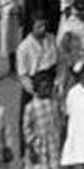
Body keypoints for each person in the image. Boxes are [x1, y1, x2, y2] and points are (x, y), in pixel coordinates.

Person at [15, 17, 58, 155]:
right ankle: (27, 153)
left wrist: (57, 82)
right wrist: (35, 91)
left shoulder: (51, 38)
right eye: (39, 26)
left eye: (44, 25)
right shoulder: (24, 47)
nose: (43, 29)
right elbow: (22, 74)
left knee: (52, 118)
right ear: (31, 28)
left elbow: (60, 60)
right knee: (30, 121)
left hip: (50, 81)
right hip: (34, 85)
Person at [21, 72, 59, 169]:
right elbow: (26, 128)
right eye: (43, 88)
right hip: (36, 145)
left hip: (50, 141)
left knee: (47, 168)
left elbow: (56, 119)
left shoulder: (53, 101)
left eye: (49, 87)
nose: (47, 90)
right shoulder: (30, 107)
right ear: (35, 89)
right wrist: (31, 147)